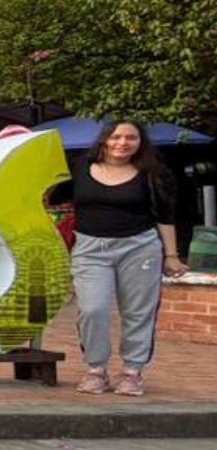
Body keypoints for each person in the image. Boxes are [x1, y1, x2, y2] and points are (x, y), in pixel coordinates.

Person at [70, 121, 186, 397]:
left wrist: (171, 255)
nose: (122, 143)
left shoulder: (152, 173)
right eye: (116, 137)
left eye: (131, 138)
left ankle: (132, 372)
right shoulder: (80, 167)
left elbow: (165, 215)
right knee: (92, 308)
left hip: (140, 247)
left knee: (138, 312)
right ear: (104, 140)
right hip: (90, 248)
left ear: (140, 143)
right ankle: (96, 369)